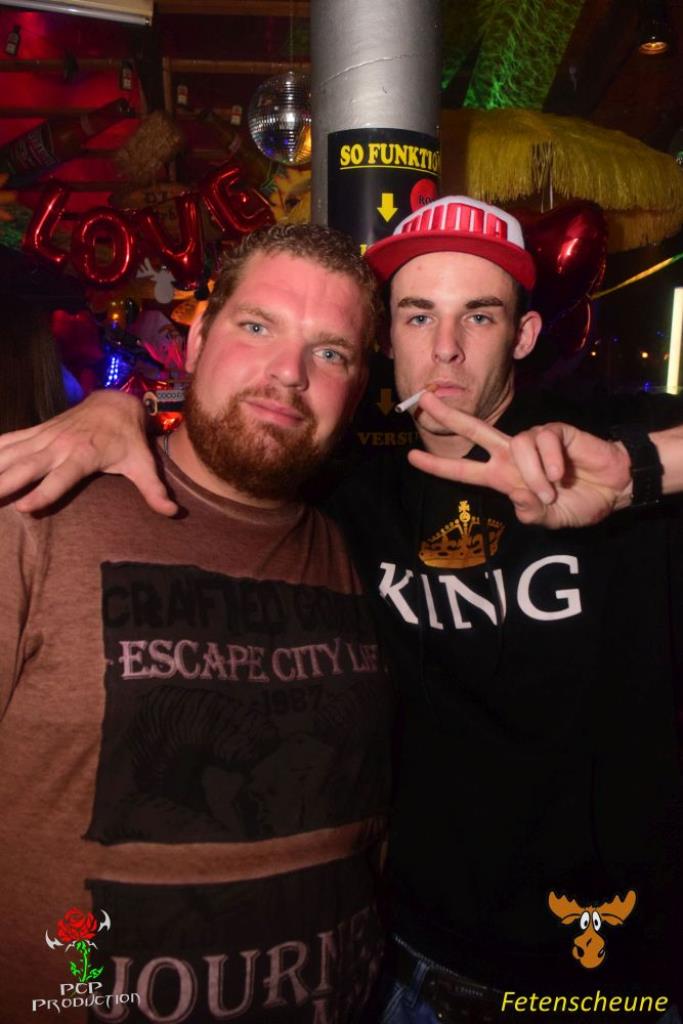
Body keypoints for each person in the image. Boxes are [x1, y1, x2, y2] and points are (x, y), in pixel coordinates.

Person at [1, 196, 682, 1023]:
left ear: (524, 334)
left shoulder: (610, 437)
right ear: (384, 344)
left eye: (479, 315)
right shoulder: (350, 490)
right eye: (417, 315)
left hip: (603, 978)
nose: (445, 347)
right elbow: (248, 435)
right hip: (406, 971)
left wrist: (635, 472)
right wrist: (119, 408)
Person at [0, 223, 392, 1023]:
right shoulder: (37, 516)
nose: (288, 373)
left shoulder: (365, 542)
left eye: (330, 352)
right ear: (199, 336)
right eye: (257, 327)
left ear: (356, 388)